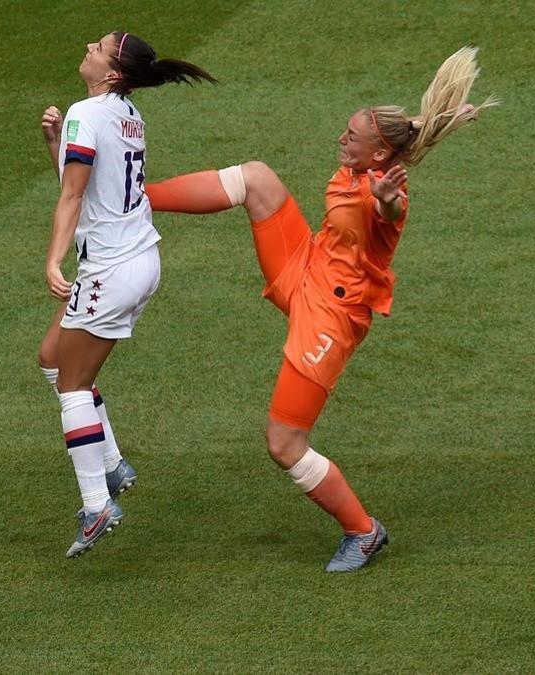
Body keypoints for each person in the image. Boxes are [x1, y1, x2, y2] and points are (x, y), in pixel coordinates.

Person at [144, 47, 497, 571]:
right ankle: (137, 198)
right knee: (257, 177)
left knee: (284, 442)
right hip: (306, 264)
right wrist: (441, 118)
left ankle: (363, 531)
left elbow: (390, 210)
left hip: (332, 315)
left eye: (351, 137)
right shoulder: (377, 152)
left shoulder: (385, 192)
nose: (341, 139)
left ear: (378, 156)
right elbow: (410, 130)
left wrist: (385, 199)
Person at [39, 32, 215, 558]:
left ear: (113, 71)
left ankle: (97, 505)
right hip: (139, 260)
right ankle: (112, 463)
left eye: (100, 46)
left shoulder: (86, 112)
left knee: (73, 387)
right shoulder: (126, 114)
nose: (89, 45)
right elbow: (86, 184)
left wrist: (53, 258)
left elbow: (72, 195)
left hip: (111, 270)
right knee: (52, 360)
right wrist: (55, 144)